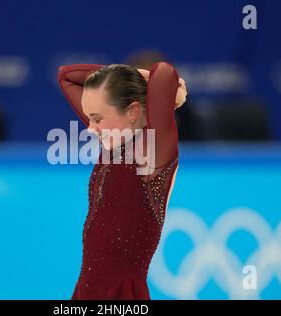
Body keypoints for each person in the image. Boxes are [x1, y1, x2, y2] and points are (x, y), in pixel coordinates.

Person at [57, 62, 187, 299]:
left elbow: (164, 74)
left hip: (122, 294)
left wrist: (168, 91)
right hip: (87, 290)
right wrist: (127, 79)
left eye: (97, 119)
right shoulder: (113, 147)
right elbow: (66, 76)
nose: (89, 128)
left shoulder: (155, 152)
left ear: (133, 112)